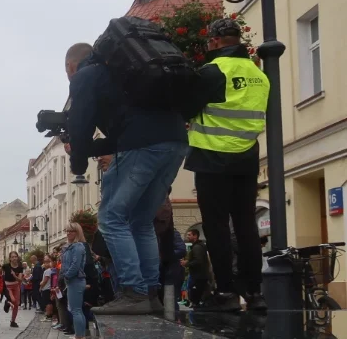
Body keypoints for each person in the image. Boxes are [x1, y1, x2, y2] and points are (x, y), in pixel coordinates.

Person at [65, 42, 188, 314]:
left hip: (143, 145)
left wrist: (77, 160)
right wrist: (90, 149)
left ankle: (133, 292)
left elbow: (79, 123)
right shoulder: (122, 72)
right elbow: (123, 134)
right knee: (141, 220)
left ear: (70, 66)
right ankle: (150, 293)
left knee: (111, 218)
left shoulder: (86, 75)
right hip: (176, 141)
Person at [183, 18, 269, 312]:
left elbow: (187, 106)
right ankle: (255, 292)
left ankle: (226, 292)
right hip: (246, 157)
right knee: (246, 225)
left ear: (217, 42)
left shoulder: (213, 71)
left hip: (212, 157)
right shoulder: (259, 74)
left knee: (217, 227)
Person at [61, 223, 89, 339]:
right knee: (77, 310)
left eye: (71, 231)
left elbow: (75, 265)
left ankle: (79, 338)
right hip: (74, 280)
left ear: (77, 232)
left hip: (75, 280)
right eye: (67, 231)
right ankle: (80, 336)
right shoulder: (71, 247)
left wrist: (66, 276)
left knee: (76, 310)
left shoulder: (77, 247)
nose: (68, 233)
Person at [182, 229, 212, 306]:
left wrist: (187, 263)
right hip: (199, 275)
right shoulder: (198, 246)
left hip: (197, 275)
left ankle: (196, 304)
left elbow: (198, 261)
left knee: (195, 292)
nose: (187, 236)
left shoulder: (197, 247)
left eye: (189, 235)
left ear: (195, 236)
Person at [1, 251, 24, 329]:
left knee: (16, 304)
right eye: (12, 257)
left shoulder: (20, 267)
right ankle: (7, 301)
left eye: (15, 256)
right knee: (13, 300)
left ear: (17, 257)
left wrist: (15, 275)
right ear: (10, 258)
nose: (14, 258)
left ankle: (13, 321)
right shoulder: (6, 266)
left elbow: (20, 280)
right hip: (8, 286)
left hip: (16, 286)